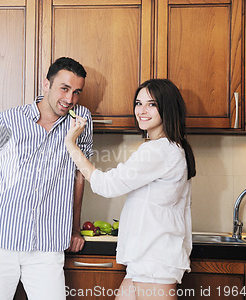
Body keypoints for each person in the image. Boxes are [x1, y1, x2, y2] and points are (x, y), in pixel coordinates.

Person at [0, 57, 94, 300]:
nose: (70, 99)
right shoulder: (7, 120)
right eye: (64, 88)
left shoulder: (81, 120)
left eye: (77, 92)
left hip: (48, 244)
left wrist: (75, 227)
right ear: (46, 85)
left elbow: (79, 177)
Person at [65, 79, 196, 299]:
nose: (141, 110)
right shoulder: (169, 148)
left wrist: (71, 144)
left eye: (151, 104)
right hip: (146, 259)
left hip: (154, 259)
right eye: (138, 103)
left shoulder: (158, 151)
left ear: (167, 108)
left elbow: (106, 185)